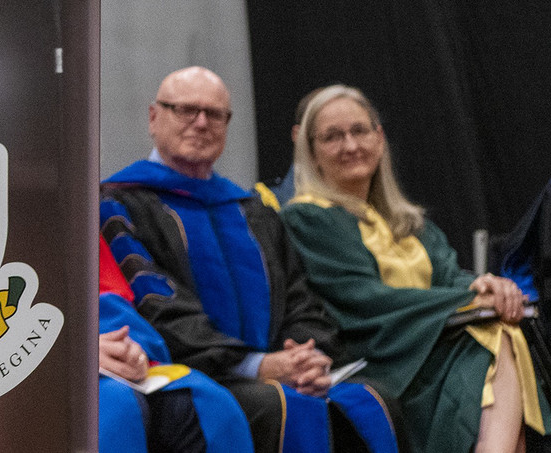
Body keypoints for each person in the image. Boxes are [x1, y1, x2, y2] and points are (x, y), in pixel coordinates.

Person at [100, 66, 399, 453]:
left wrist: (304, 358)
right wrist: (255, 366)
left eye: (215, 114)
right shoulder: (120, 205)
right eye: (186, 110)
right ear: (154, 118)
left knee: (373, 401)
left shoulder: (252, 210)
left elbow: (301, 298)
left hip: (277, 370)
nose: (201, 123)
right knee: (277, 405)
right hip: (201, 372)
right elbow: (157, 303)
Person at [281, 85, 546, 453]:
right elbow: (366, 302)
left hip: (436, 348)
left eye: (360, 131)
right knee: (495, 338)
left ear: (379, 138)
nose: (350, 145)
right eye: (332, 137)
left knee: (503, 335)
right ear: (311, 152)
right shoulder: (309, 217)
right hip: (384, 357)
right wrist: (469, 301)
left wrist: (483, 285)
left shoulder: (407, 221)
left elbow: (449, 277)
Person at [98, 235, 253, 452]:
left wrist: (131, 348)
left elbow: (107, 294)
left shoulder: (68, 220)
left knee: (211, 404)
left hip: (98, 348)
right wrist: (76, 352)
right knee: (115, 407)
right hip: (45, 368)